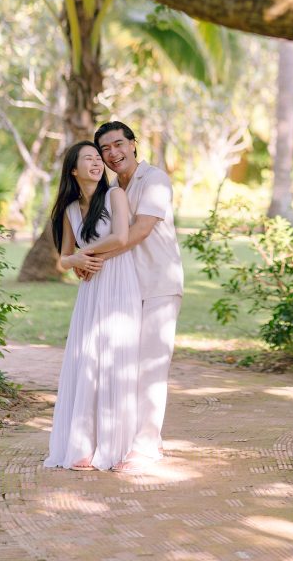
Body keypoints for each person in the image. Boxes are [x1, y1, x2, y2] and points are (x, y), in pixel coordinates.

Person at [86, 120, 184, 474]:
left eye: (118, 145)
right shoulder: (111, 189)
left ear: (132, 144)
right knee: (124, 364)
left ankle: (145, 447)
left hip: (159, 283)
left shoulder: (153, 179)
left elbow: (140, 231)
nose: (113, 154)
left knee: (151, 367)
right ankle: (131, 439)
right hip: (125, 288)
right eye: (105, 149)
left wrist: (91, 257)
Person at [44, 141, 142, 471]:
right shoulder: (70, 210)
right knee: (88, 360)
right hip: (90, 288)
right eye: (89, 159)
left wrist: (83, 257)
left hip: (118, 281)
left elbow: (121, 237)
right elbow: (62, 258)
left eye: (98, 158)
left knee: (116, 362)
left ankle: (118, 448)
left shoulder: (114, 195)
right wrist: (74, 259)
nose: (98, 163)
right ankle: (83, 444)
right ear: (74, 170)